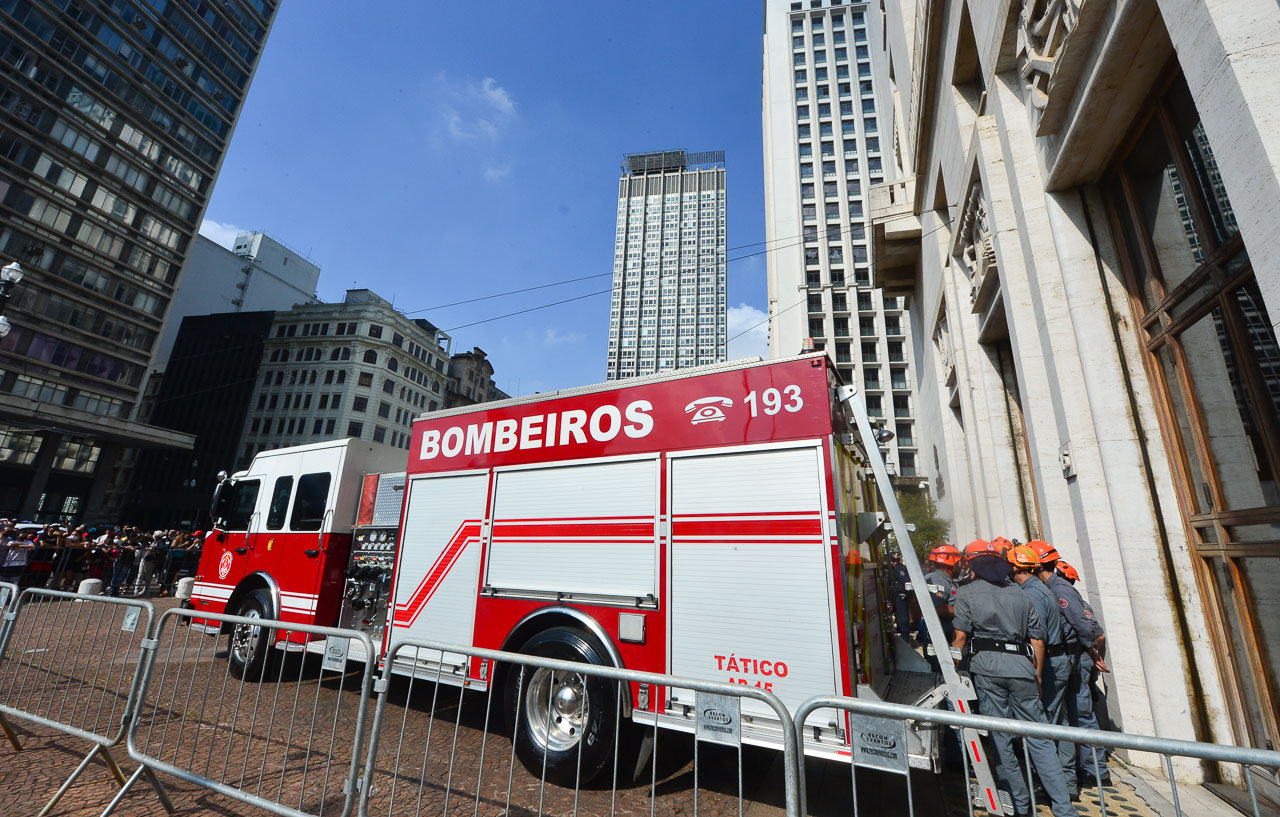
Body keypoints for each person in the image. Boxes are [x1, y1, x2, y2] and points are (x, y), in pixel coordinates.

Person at [951, 539, 1078, 817]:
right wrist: (1036, 675)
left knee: (1001, 739)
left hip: (987, 669)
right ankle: (1064, 809)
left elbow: (960, 638)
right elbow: (1038, 640)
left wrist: (954, 668)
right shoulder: (1023, 594)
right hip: (1023, 668)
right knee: (1040, 737)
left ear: (975, 570)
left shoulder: (966, 594)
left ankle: (1020, 805)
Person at [1029, 542, 1110, 788]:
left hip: (1075, 657)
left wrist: (1091, 652)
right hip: (1072, 656)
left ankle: (1095, 772)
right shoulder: (1048, 587)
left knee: (1082, 715)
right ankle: (1079, 768)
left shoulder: (1060, 589)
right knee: (1069, 715)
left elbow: (1083, 626)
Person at [1008, 544, 1078, 799]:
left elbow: (1037, 638)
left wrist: (1035, 674)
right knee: (1060, 723)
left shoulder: (1033, 594)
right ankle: (1068, 784)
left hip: (1048, 664)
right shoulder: (1038, 588)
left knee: (1043, 726)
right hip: (1056, 661)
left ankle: (1050, 787)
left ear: (1016, 567)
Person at [920, 544, 962, 647]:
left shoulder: (947, 580)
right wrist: (966, 611)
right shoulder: (937, 580)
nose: (960, 565)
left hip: (946, 634)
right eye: (958, 562)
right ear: (950, 564)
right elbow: (938, 608)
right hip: (941, 639)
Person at [888, 552, 914, 639]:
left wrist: (911, 595)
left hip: (900, 596)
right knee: (895, 616)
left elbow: (906, 581)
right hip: (895, 596)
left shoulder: (899, 569)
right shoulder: (894, 568)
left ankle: (905, 639)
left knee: (903, 619)